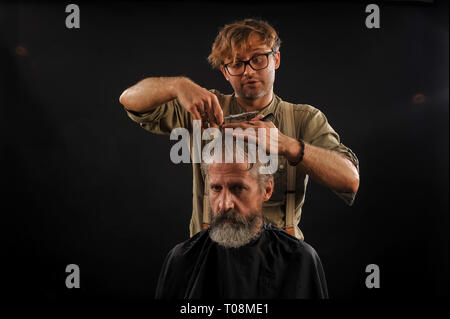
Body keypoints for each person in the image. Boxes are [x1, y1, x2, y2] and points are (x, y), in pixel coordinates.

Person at [119, 18, 360, 240]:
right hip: (209, 256)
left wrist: (287, 145)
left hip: (281, 260)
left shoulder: (305, 119)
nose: (248, 71)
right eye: (236, 64)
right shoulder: (201, 108)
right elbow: (129, 100)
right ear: (225, 72)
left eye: (257, 59)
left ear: (275, 59)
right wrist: (177, 86)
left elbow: (349, 180)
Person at [155, 141, 328, 299]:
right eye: (216, 188)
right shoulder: (181, 260)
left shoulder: (300, 261)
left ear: (267, 190)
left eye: (238, 188)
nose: (224, 204)